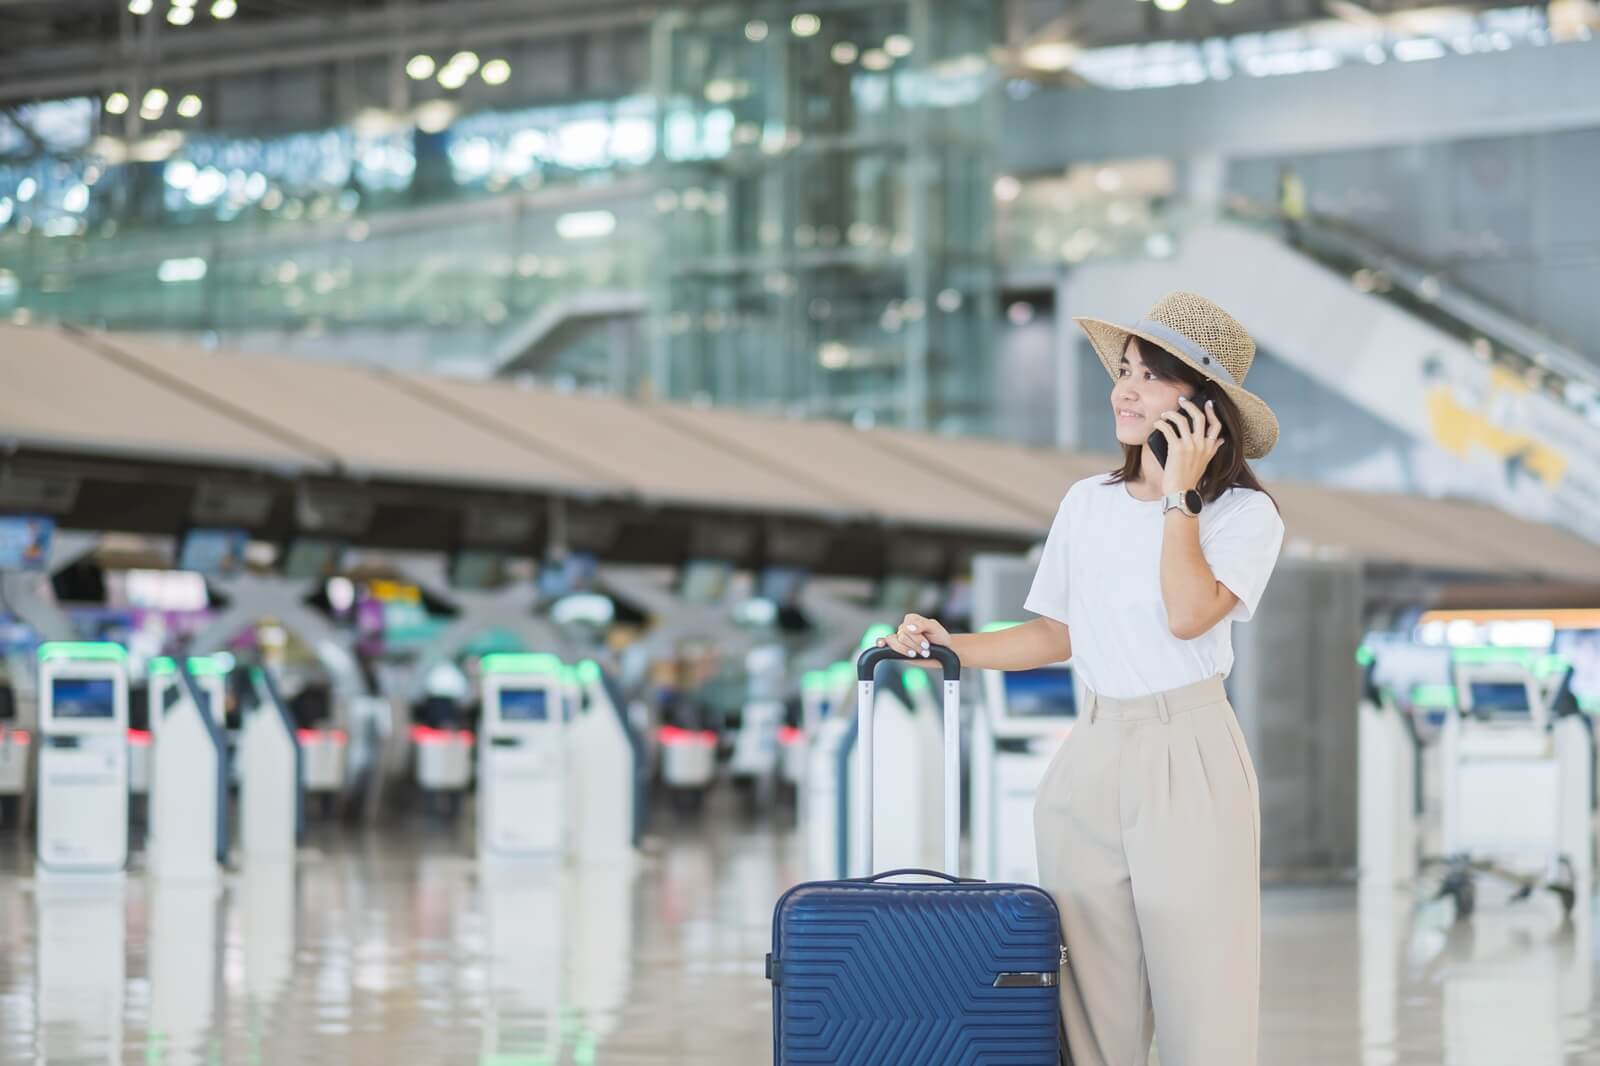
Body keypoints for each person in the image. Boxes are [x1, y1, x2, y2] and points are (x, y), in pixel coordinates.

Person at [878, 291, 1286, 1066]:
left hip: (1190, 752)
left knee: (1206, 999)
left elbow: (1188, 615)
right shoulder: (1086, 503)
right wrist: (948, 647)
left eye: (1152, 377)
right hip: (1092, 750)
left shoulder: (1243, 516)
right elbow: (1056, 633)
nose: (1125, 392)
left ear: (1205, 407)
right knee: (1091, 1007)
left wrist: (1180, 497)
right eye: (1124, 371)